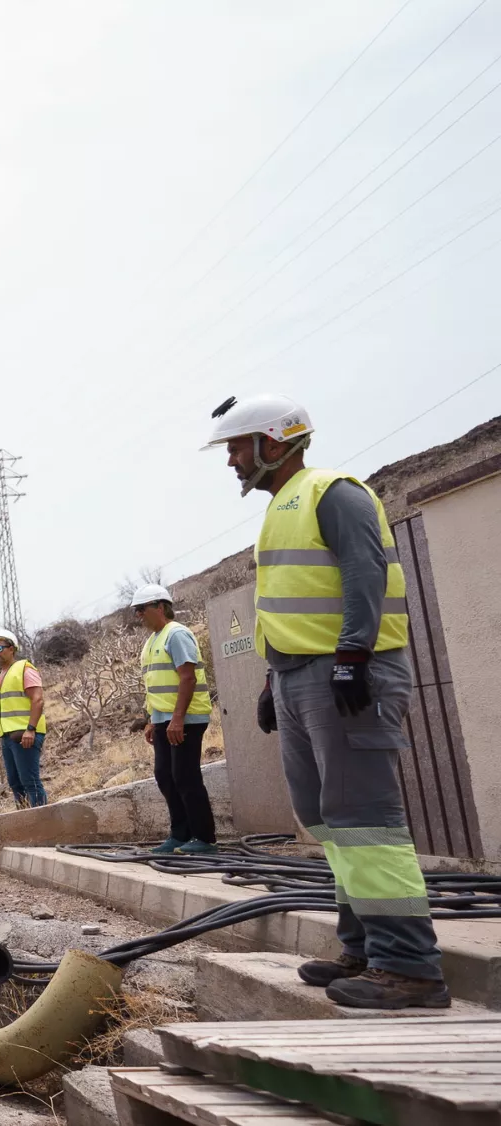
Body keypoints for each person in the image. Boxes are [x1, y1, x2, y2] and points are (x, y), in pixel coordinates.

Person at [207, 393, 446, 1010]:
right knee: (328, 820)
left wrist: (351, 656)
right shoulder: (281, 508)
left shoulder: (334, 492)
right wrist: (272, 680)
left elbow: (365, 574)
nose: (231, 459)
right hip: (299, 677)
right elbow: (294, 603)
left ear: (275, 442)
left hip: (346, 676)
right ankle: (364, 947)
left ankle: (410, 967)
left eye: (237, 445)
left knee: (365, 822)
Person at [131, 583, 217, 855]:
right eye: (136, 611)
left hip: (186, 719)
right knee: (165, 776)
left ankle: (204, 838)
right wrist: (151, 720)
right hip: (163, 720)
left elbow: (187, 677)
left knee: (185, 776)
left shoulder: (176, 634)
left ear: (159, 606)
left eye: (141, 609)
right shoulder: (152, 641)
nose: (138, 615)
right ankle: (180, 834)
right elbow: (154, 684)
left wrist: (177, 718)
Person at [0, 630, 48, 807]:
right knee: (15, 783)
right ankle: (25, 825)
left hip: (25, 735)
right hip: (7, 738)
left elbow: (38, 699)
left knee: (30, 782)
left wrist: (31, 729)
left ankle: (43, 824)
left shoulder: (25, 668)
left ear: (11, 648)